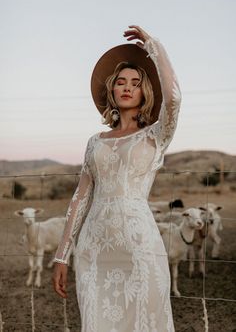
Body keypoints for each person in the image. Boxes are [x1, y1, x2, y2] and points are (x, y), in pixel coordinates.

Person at [52, 25, 181, 332]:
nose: (127, 87)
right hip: (94, 250)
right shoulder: (95, 141)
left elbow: (174, 98)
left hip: (139, 246)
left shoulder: (156, 136)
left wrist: (153, 46)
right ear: (111, 89)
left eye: (135, 83)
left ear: (144, 91)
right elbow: (80, 199)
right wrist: (61, 255)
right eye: (121, 82)